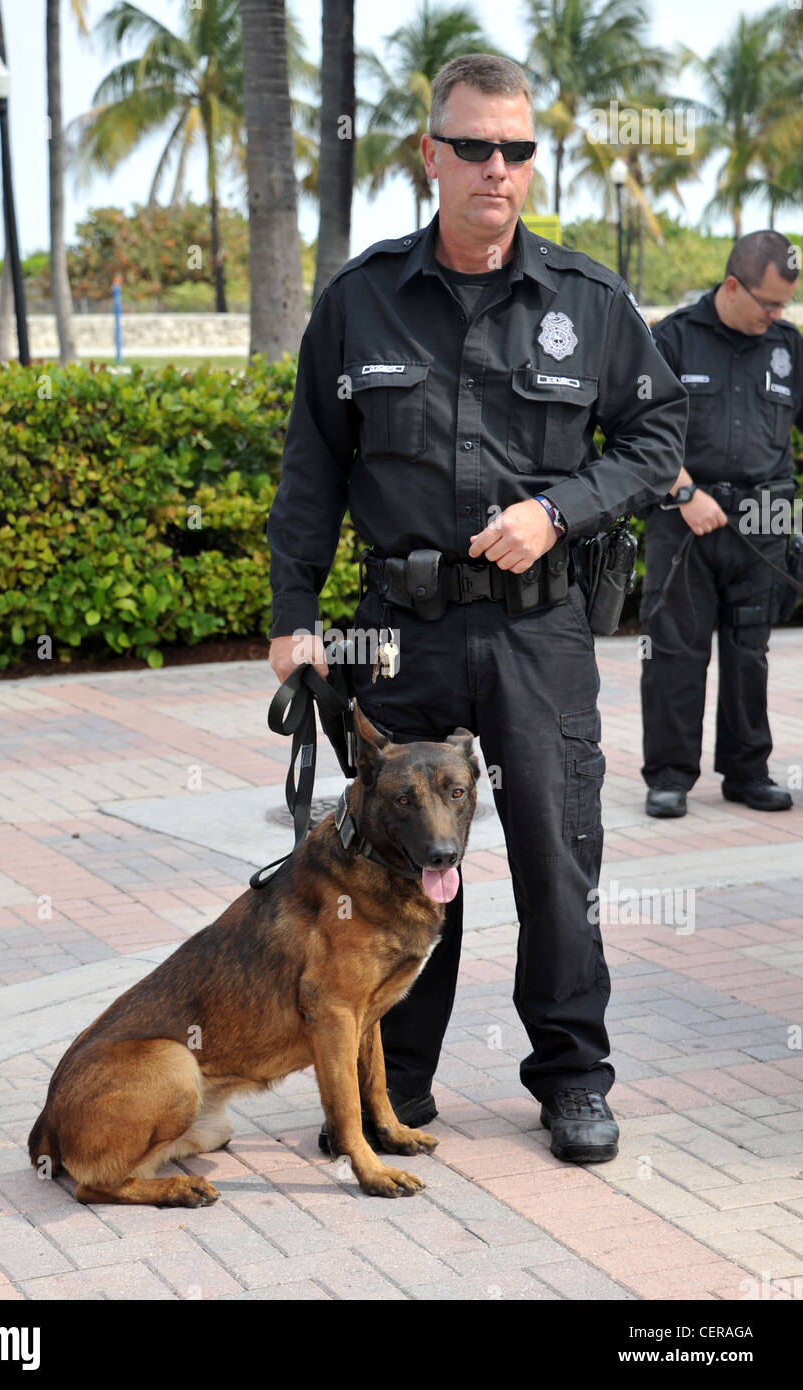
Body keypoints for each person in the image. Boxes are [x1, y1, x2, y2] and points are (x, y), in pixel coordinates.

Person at [265, 53, 688, 1163]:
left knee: (556, 857)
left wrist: (557, 509)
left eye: (515, 149)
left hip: (536, 632)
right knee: (399, 861)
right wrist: (294, 614)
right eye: (472, 147)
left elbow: (654, 443)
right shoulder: (360, 300)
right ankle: (392, 1080)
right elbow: (310, 467)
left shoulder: (587, 303)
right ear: (430, 155)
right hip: (397, 635)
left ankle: (570, 1077)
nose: (494, 169)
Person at [641, 232, 802, 818]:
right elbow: (643, 429)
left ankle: (747, 771)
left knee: (750, 654)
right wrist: (684, 490)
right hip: (686, 520)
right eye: (769, 302)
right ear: (732, 286)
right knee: (674, 654)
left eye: (784, 304)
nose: (776, 314)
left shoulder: (789, 346)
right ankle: (669, 776)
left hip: (766, 519)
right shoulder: (674, 338)